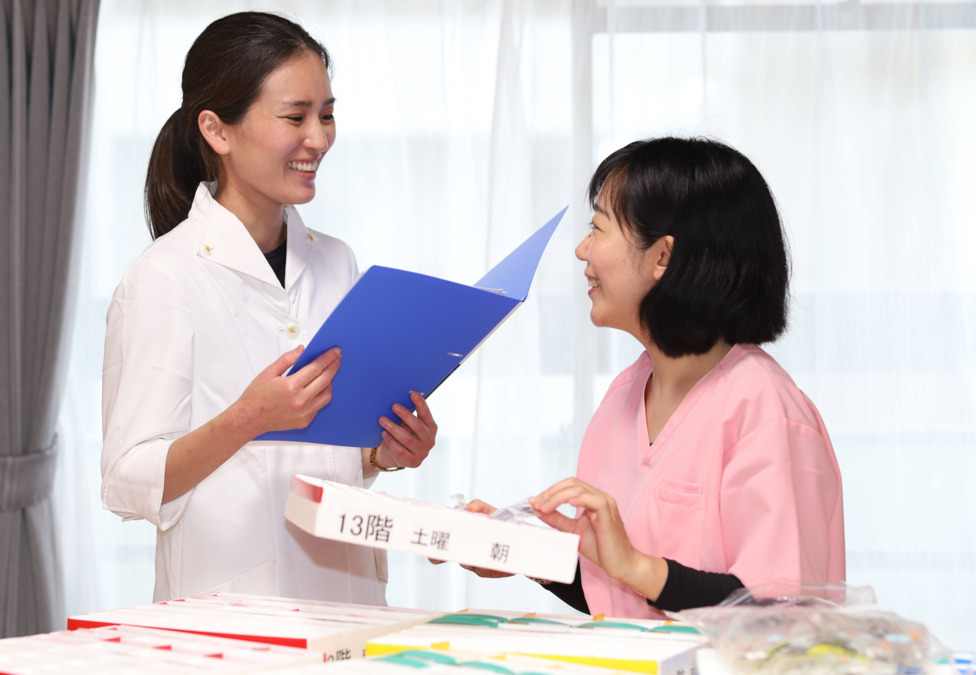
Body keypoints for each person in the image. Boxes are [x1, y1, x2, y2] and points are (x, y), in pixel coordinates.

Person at [101, 11, 437, 604]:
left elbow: (327, 450)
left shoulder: (338, 263)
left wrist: (382, 451)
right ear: (218, 130)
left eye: (327, 114)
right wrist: (247, 418)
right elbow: (127, 483)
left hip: (348, 606)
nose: (319, 138)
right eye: (295, 116)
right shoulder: (163, 280)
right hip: (229, 618)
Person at [463, 137, 844, 619]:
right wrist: (521, 554)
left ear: (663, 257)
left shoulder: (766, 411)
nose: (583, 250)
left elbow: (777, 614)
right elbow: (618, 589)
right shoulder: (627, 393)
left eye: (598, 228)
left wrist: (635, 565)